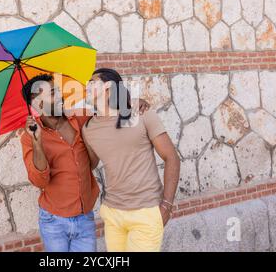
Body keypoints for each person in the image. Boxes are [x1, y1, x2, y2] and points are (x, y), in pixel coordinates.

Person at [20, 73, 149, 252]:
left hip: (85, 217)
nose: (60, 96)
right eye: (52, 93)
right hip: (54, 222)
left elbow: (108, 112)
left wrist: (132, 102)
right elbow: (40, 181)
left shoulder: (79, 119)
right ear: (38, 103)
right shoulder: (29, 137)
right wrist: (37, 141)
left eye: (58, 90)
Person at [82, 68, 180, 252]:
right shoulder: (88, 127)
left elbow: (171, 157)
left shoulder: (139, 111)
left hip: (146, 213)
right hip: (112, 214)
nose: (86, 86)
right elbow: (91, 162)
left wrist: (166, 205)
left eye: (92, 82)